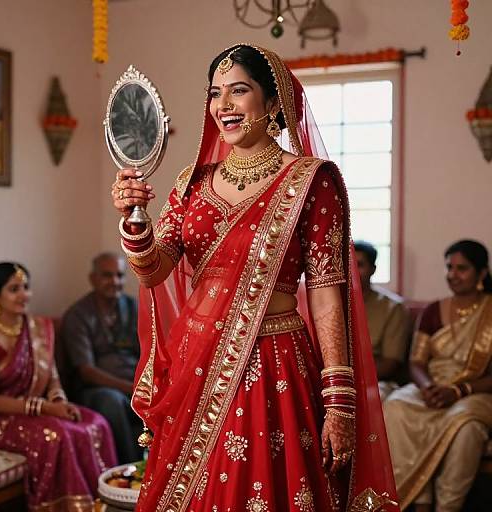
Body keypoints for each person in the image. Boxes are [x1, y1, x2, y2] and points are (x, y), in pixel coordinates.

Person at [111, 44, 398, 511]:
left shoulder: (311, 181)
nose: (223, 105)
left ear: (272, 103)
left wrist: (340, 400)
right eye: (214, 93)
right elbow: (155, 270)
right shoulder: (191, 182)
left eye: (238, 91)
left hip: (274, 367)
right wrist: (135, 223)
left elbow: (327, 297)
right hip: (195, 365)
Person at [0, 262, 117, 511]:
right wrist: (44, 408)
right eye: (14, 289)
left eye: (26, 287)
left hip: (38, 411)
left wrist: (58, 401)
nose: (24, 295)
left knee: (96, 423)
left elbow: (52, 375)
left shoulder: (38, 329)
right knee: (56, 435)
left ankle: (106, 503)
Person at [383, 239, 492, 512]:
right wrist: (428, 386)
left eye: (462, 268)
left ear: (481, 273)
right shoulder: (433, 311)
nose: (453, 275)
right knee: (394, 406)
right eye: (449, 267)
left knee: (465, 427)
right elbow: (417, 361)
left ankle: (447, 506)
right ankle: (419, 500)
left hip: (476, 393)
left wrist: (458, 391)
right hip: (432, 387)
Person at [60, 252, 142, 464]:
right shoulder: (77, 315)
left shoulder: (134, 307)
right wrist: (130, 388)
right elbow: (87, 372)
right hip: (95, 390)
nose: (115, 282)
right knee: (111, 400)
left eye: (120, 275)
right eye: (107, 275)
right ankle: (128, 469)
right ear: (93, 279)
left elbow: (151, 352)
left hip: (136, 384)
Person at [354, 241, 411, 400]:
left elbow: (390, 363)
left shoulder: (392, 308)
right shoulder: (332, 304)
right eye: (347, 264)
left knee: (367, 398)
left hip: (376, 382)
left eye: (359, 265)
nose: (352, 271)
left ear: (373, 269)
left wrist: (349, 377)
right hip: (333, 380)